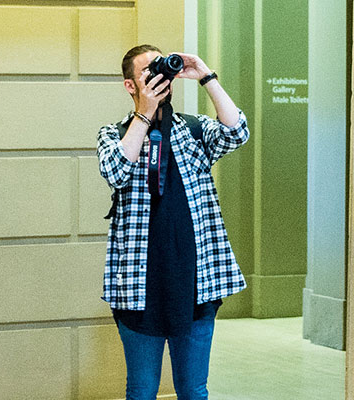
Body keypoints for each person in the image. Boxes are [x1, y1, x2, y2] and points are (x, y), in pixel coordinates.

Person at [95, 44, 248, 400]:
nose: (159, 78)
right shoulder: (114, 134)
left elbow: (237, 131)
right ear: (130, 86)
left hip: (196, 285)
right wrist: (145, 116)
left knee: (194, 391)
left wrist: (206, 76)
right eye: (148, 73)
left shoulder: (193, 130)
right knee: (142, 391)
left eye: (162, 69)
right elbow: (115, 171)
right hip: (137, 288)